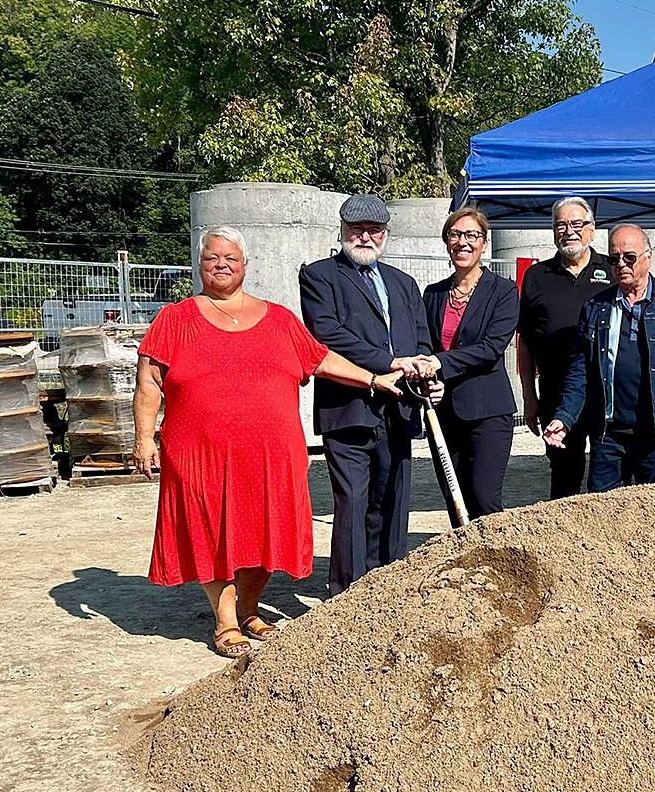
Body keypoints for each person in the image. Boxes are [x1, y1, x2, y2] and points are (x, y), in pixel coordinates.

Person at [132, 226, 405, 658]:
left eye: (230, 258)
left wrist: (373, 378)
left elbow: (320, 359)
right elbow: (149, 381)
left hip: (271, 452)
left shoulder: (278, 318)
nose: (221, 265)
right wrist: (145, 438)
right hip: (199, 453)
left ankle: (249, 608)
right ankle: (224, 622)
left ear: (245, 265)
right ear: (199, 264)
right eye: (211, 258)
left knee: (264, 531)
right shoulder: (175, 319)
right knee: (212, 532)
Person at [298, 194, 443, 598]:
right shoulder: (320, 276)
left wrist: (424, 365)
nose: (365, 236)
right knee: (352, 501)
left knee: (393, 498)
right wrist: (390, 361)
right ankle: (346, 593)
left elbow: (420, 338)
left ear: (385, 234)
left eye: (373, 230)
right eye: (356, 229)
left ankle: (387, 586)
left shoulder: (403, 283)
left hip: (398, 407)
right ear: (342, 230)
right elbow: (327, 334)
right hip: (347, 409)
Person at [543, 224, 655, 492]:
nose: (621, 264)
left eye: (629, 257)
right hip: (608, 435)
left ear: (648, 256)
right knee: (604, 517)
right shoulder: (596, 308)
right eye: (613, 258)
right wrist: (564, 418)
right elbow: (580, 372)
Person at [420, 207, 518, 524]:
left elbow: (491, 348)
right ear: (447, 242)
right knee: (455, 500)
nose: (463, 242)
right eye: (455, 234)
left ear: (484, 243)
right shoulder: (433, 294)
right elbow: (425, 343)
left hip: (488, 412)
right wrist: (429, 377)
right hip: (444, 412)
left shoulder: (503, 291)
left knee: (484, 499)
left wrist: (439, 362)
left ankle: (494, 566)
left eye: (471, 235)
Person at [516, 196, 613, 498]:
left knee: (606, 483)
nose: (569, 231)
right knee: (564, 481)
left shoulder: (611, 272)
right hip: (555, 397)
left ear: (592, 230)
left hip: (603, 397)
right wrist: (530, 398)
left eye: (577, 224)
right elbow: (526, 342)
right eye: (561, 225)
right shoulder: (537, 276)